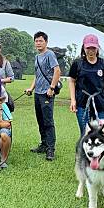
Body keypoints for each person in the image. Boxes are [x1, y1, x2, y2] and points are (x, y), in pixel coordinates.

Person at [68, 34, 104, 137]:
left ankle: (99, 153)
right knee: (85, 133)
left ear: (97, 48)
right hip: (82, 102)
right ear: (84, 48)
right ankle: (83, 153)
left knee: (102, 134)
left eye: (93, 48)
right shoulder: (78, 64)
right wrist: (73, 100)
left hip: (100, 103)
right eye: (88, 48)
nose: (91, 51)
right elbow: (71, 81)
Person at [25, 31, 60, 161]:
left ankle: (50, 149)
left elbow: (57, 71)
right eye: (36, 41)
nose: (38, 43)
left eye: (41, 41)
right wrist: (31, 88)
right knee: (40, 120)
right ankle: (44, 144)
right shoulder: (37, 57)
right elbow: (37, 75)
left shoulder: (49, 54)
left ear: (46, 42)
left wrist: (51, 88)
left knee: (48, 121)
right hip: (38, 93)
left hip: (47, 93)